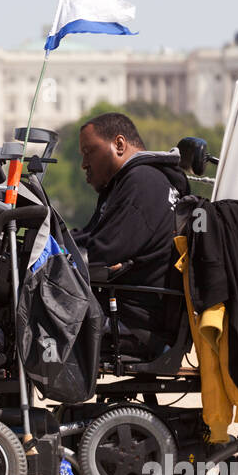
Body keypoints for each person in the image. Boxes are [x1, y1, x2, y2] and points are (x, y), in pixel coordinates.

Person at [72, 112, 189, 357]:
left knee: (30, 316)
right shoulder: (139, 180)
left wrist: (48, 255)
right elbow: (94, 237)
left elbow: (100, 253)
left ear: (119, 144)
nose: (84, 163)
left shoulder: (141, 182)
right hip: (133, 314)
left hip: (134, 325)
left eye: (89, 151)